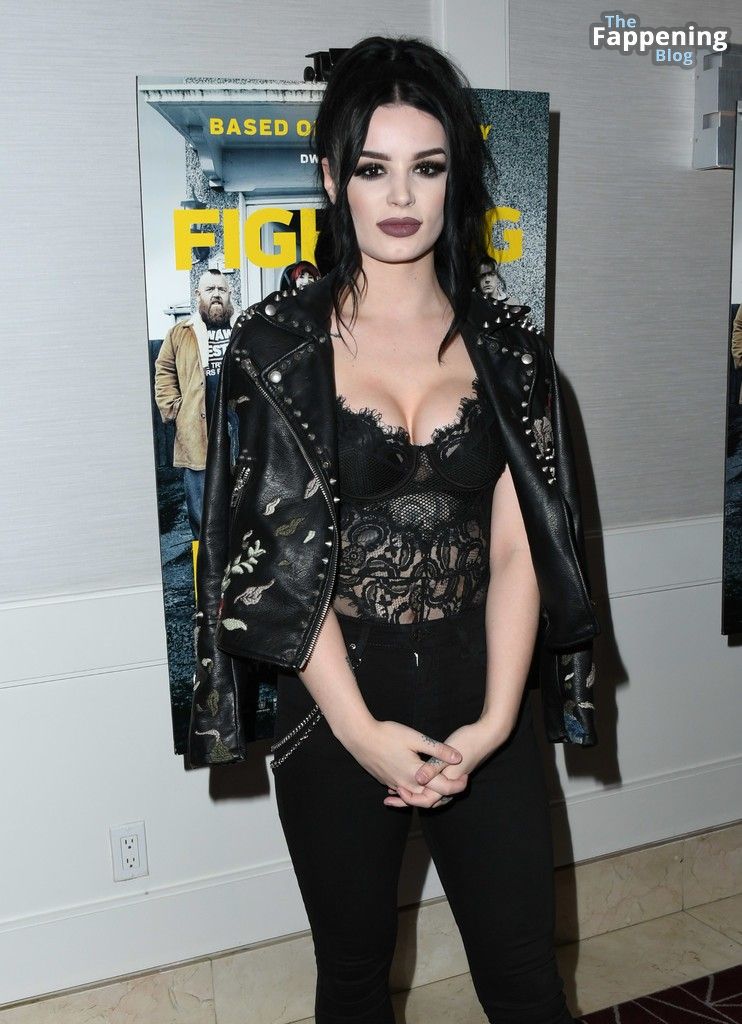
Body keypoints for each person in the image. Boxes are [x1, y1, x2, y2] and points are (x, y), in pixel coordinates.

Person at [188, 35, 600, 1024]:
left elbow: (518, 550)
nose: (401, 195)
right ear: (334, 179)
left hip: (485, 694)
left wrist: (495, 723)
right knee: (354, 978)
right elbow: (273, 561)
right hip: (334, 701)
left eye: (427, 166)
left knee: (527, 982)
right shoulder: (274, 346)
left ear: (457, 178)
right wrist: (361, 731)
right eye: (373, 169)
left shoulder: (509, 350)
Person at [154, 269, 239, 537]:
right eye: (210, 289)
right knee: (202, 509)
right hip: (196, 430)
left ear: (229, 294)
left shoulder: (245, 328)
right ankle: (205, 558)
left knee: (242, 498)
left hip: (239, 427)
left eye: (221, 289)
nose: (216, 295)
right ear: (198, 294)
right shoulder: (180, 333)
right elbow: (164, 371)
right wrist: (175, 409)